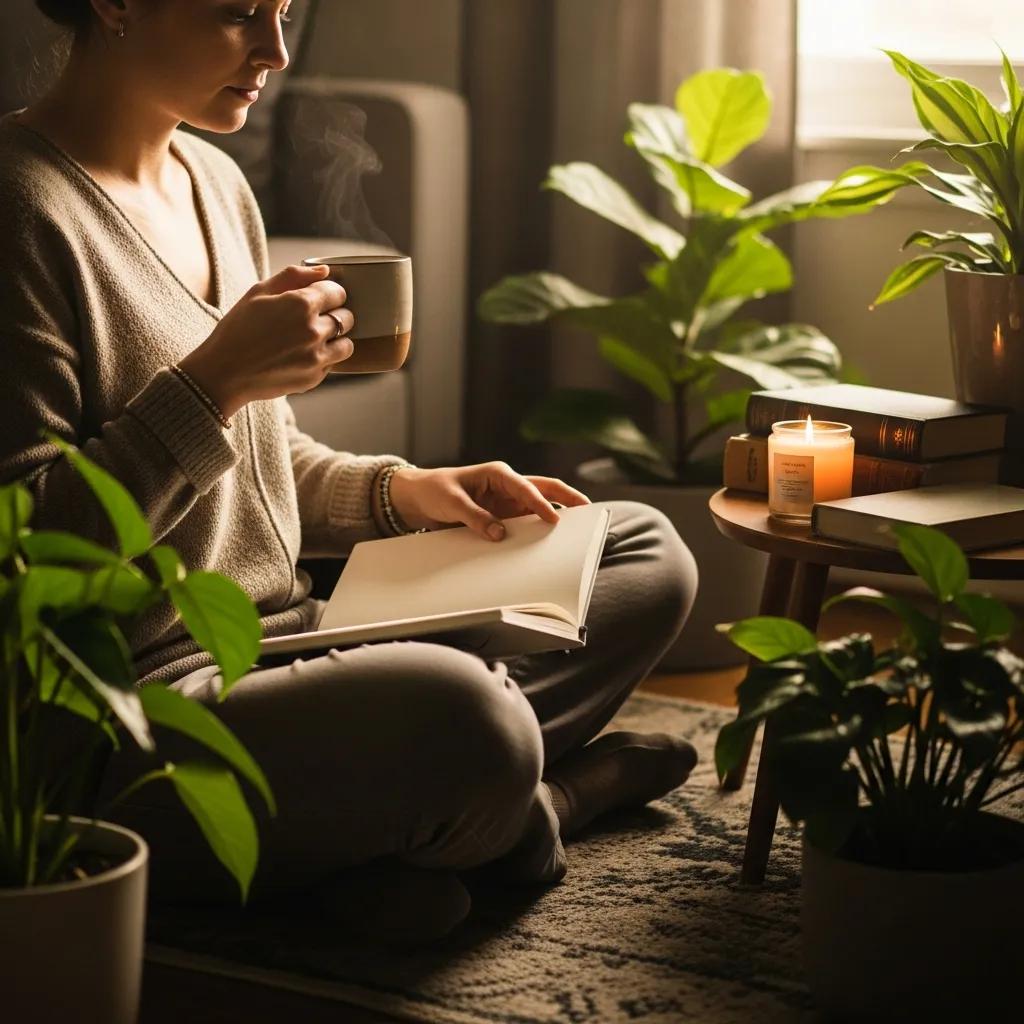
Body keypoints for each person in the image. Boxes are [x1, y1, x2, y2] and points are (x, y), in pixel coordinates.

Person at [0, 0, 699, 941]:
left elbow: (259, 463)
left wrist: (403, 493)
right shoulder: (19, 210)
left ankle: (388, 840)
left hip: (300, 643)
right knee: (471, 721)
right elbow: (28, 549)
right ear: (118, 4)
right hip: (138, 717)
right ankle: (541, 804)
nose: (277, 50)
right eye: (240, 13)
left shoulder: (212, 181)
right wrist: (210, 385)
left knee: (640, 550)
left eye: (284, 11)